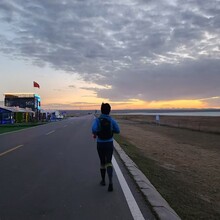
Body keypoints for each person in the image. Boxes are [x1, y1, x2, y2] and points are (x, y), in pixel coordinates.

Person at [92, 103, 120, 192]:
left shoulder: (97, 120)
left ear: (101, 110)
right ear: (109, 111)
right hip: (109, 143)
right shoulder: (112, 120)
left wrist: (98, 133)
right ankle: (111, 181)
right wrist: (111, 131)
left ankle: (103, 181)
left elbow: (93, 129)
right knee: (109, 162)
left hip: (100, 143)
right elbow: (118, 130)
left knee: (102, 162)